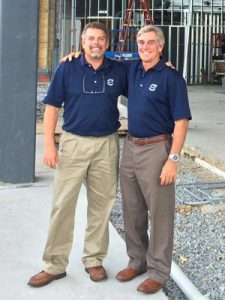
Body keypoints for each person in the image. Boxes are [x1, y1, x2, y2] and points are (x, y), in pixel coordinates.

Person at [28, 22, 128, 287]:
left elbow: (143, 82)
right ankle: (54, 264)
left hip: (107, 144)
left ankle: (94, 259)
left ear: (107, 43)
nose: (96, 43)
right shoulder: (67, 68)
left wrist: (166, 68)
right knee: (62, 206)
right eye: (91, 38)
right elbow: (51, 106)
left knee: (102, 206)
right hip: (72, 144)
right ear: (82, 42)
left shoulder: (118, 70)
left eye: (101, 39)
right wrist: (50, 144)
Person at [115, 25, 191, 294]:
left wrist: (173, 159)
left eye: (150, 43)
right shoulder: (133, 70)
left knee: (160, 214)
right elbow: (102, 63)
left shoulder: (172, 78)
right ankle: (137, 261)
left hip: (157, 150)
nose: (144, 47)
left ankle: (158, 272)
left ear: (160, 46)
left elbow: (181, 122)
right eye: (140, 43)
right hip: (131, 147)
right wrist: (76, 56)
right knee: (132, 209)